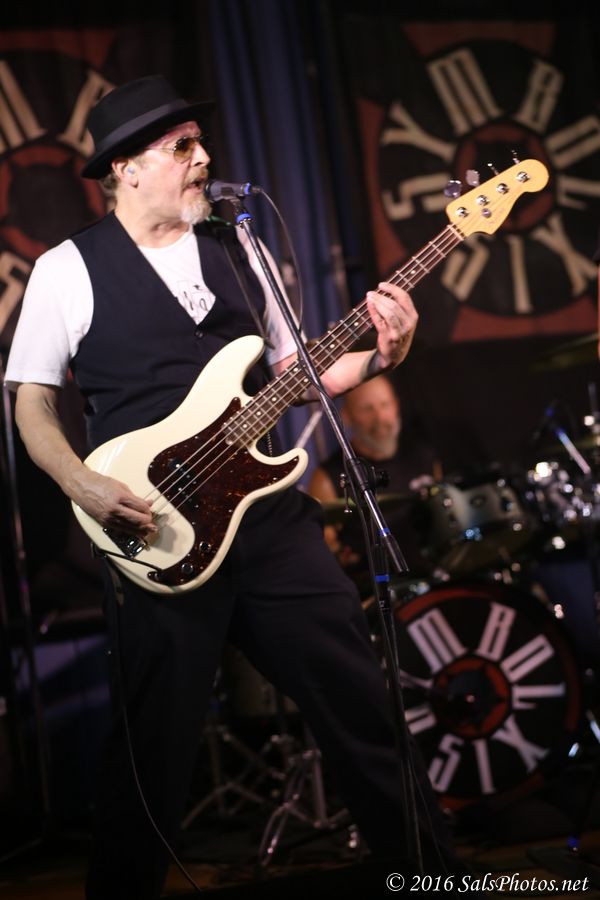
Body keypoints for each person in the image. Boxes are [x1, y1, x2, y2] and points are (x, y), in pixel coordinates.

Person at [5, 75, 455, 899]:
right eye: (181, 146)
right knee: (152, 749)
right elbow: (30, 402)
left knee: (361, 702)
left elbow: (296, 373)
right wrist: (80, 483)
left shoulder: (239, 245)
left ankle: (432, 876)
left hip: (266, 518)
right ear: (126, 168)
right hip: (152, 526)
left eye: (200, 141)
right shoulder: (67, 269)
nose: (204, 157)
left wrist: (383, 355)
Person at [308, 374, 438, 585]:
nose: (380, 418)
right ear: (346, 416)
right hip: (373, 588)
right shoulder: (328, 477)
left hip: (432, 578)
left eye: (385, 405)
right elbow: (323, 547)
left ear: (396, 406)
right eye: (367, 409)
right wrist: (339, 554)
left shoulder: (423, 456)